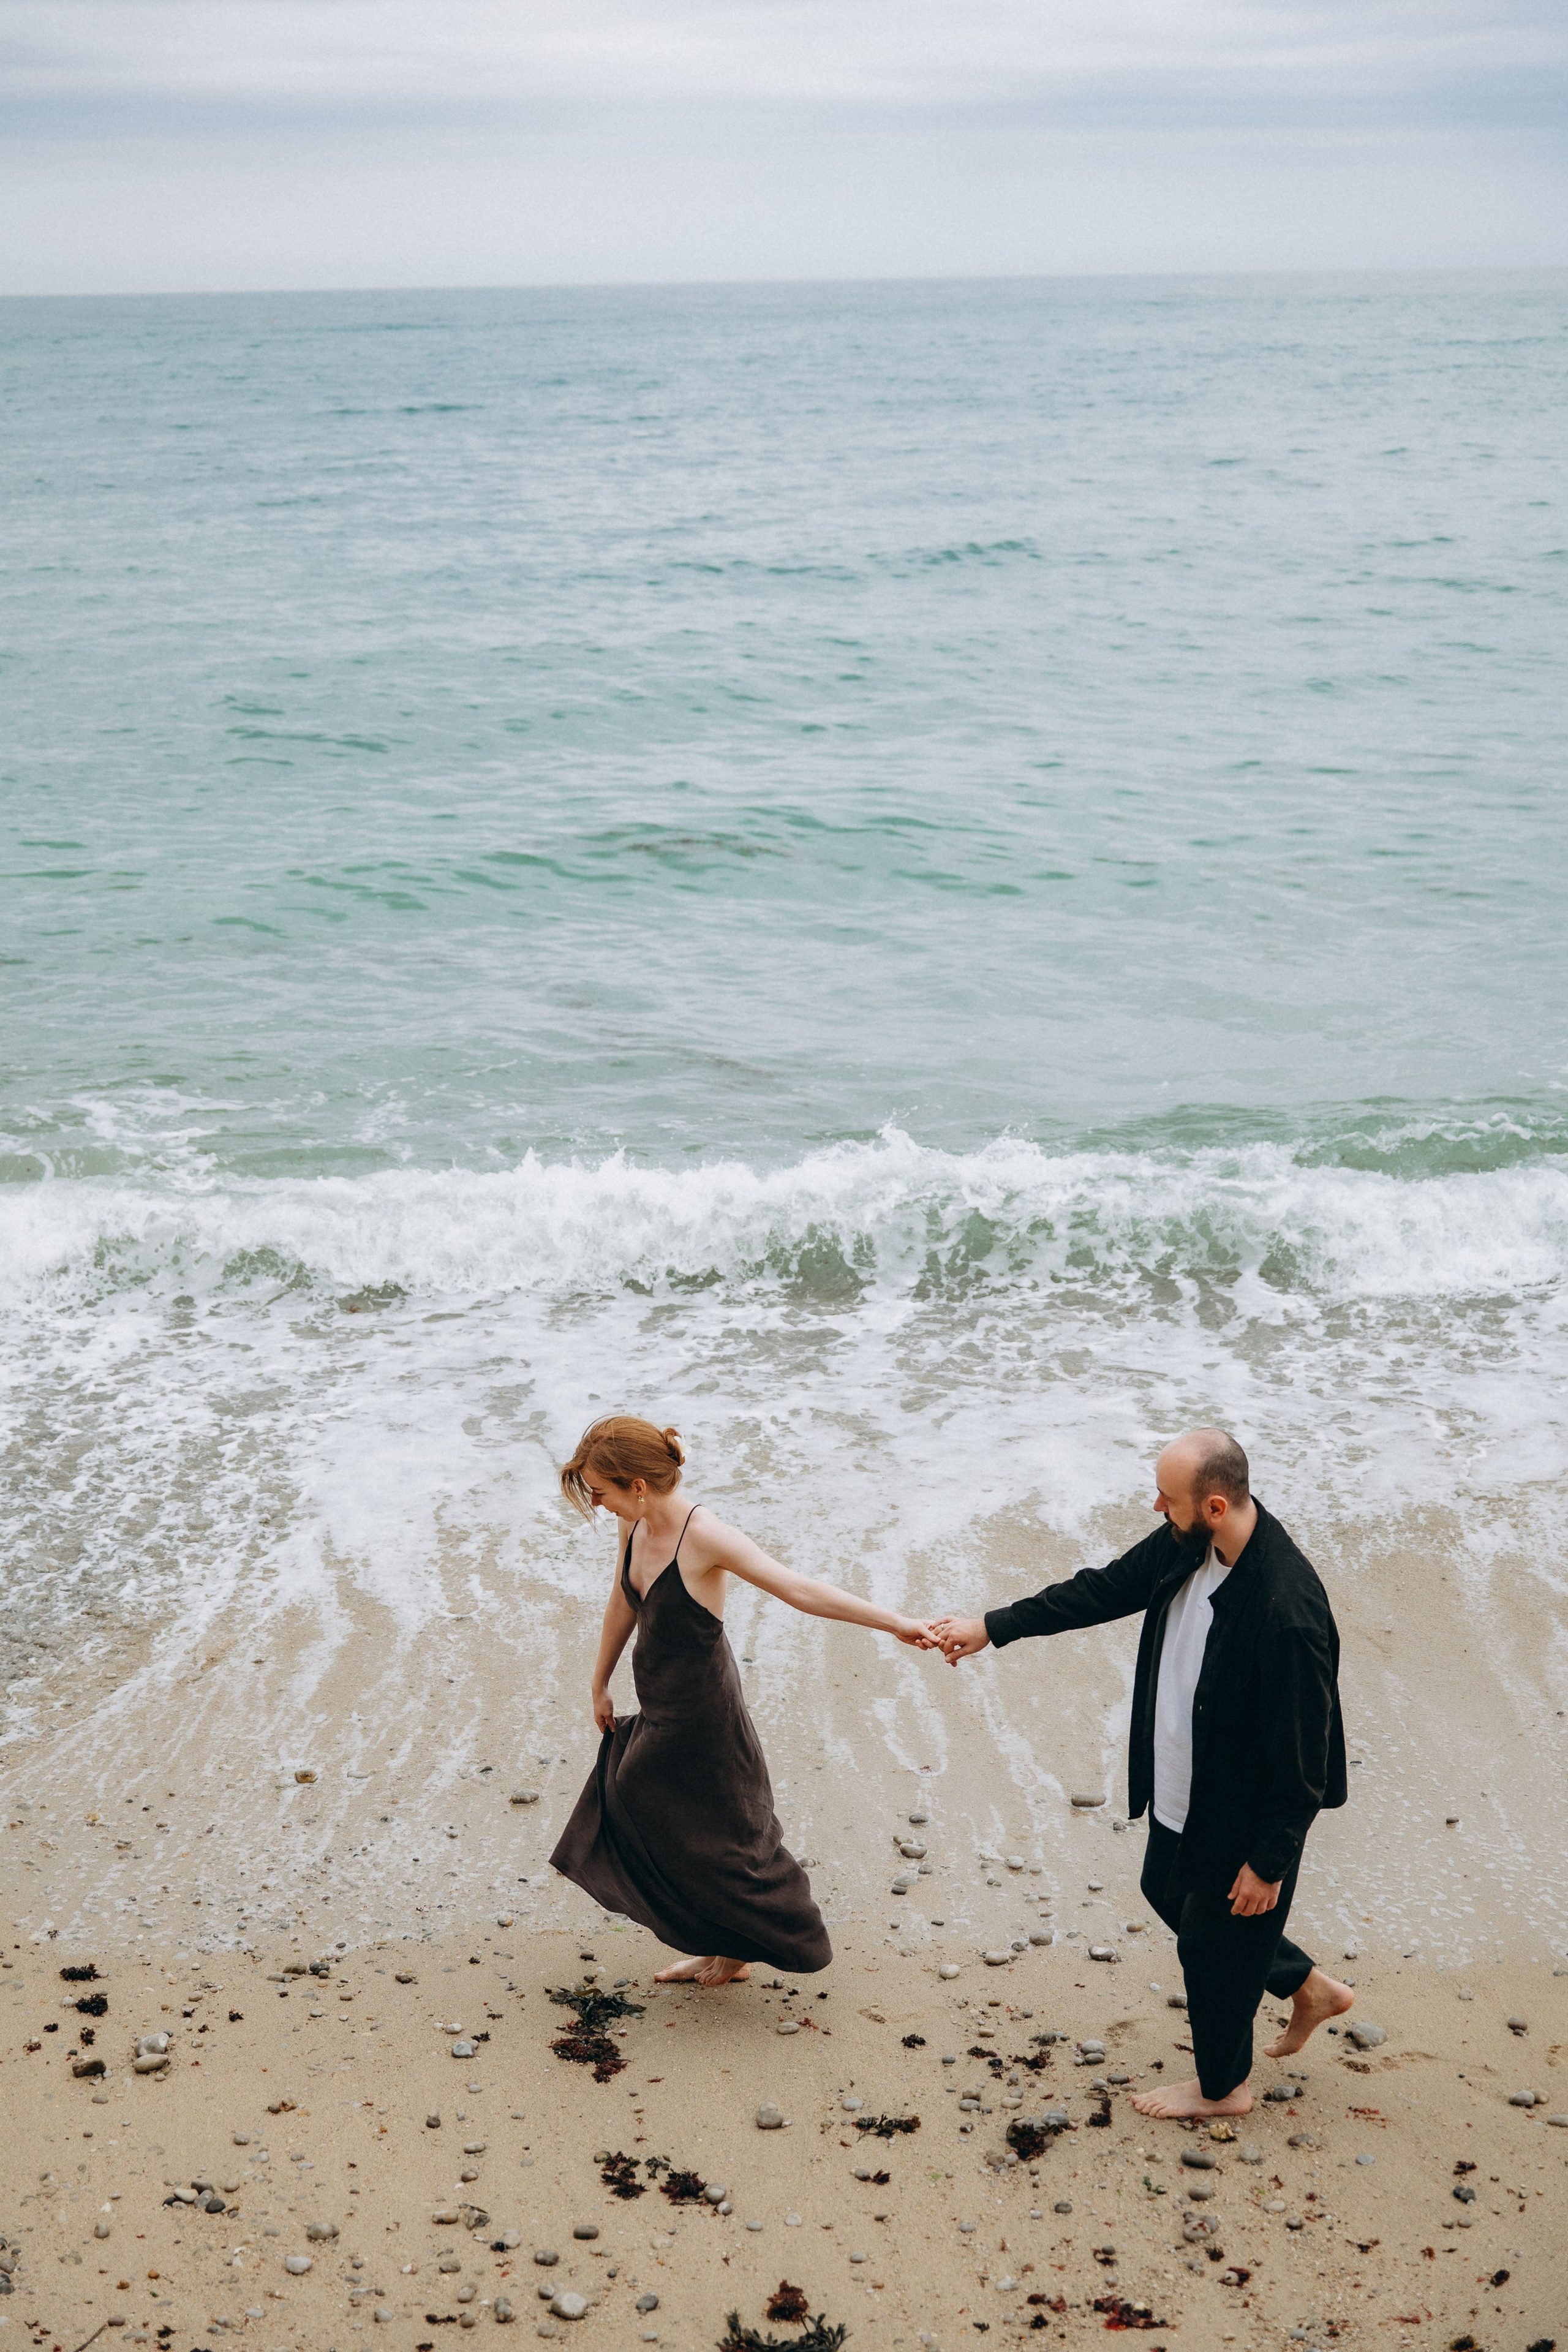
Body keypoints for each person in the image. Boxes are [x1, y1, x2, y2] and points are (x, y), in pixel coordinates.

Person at [933, 1428, 1352, 2119]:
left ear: (1214, 1504)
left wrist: (1269, 1864)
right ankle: (1307, 1987)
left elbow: (1303, 1759)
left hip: (1241, 1811)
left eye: (1168, 1496)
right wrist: (991, 1625)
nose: (1157, 1505)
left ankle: (1223, 2090)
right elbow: (1103, 1590)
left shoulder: (1286, 1611)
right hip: (1183, 1783)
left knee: (1211, 1953)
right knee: (1165, 1888)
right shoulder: (1193, 1547)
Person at [550, 1415, 936, 1988]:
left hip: (703, 1712)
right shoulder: (632, 1527)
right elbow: (622, 1603)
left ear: (636, 1484)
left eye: (601, 1493)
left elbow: (798, 1589)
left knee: (723, 1835)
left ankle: (755, 1942)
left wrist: (897, 1623)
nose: (599, 1505)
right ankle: (720, 1943)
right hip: (658, 1699)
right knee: (648, 1804)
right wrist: (599, 1681)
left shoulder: (703, 1536)